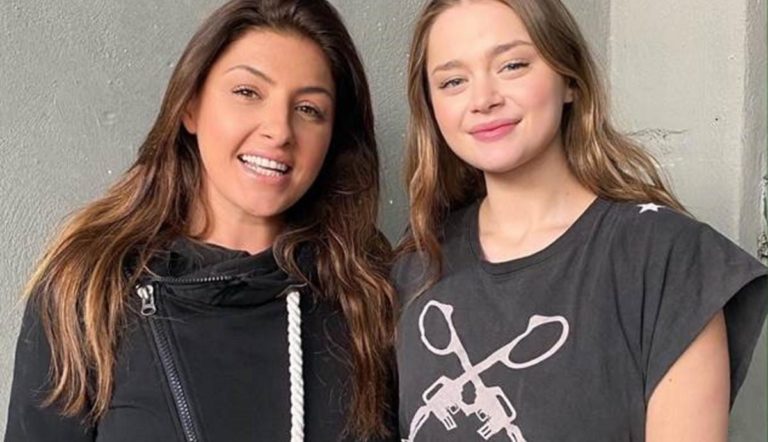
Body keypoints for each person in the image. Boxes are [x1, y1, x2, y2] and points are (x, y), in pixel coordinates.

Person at [5, 0, 397, 440]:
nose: (279, 130)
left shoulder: (370, 294)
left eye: (309, 109)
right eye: (247, 92)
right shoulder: (90, 286)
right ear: (190, 105)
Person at [393, 0, 768, 441]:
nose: (483, 100)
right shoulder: (418, 261)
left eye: (512, 65)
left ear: (569, 79)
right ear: (431, 106)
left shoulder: (666, 259)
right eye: (453, 81)